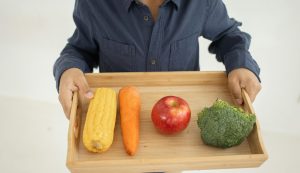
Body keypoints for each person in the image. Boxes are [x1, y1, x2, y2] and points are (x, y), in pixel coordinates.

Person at [53, 0, 261, 119]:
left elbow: (227, 35)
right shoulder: (94, 4)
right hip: (117, 122)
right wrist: (69, 69)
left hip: (182, 126)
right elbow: (79, 50)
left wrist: (241, 63)